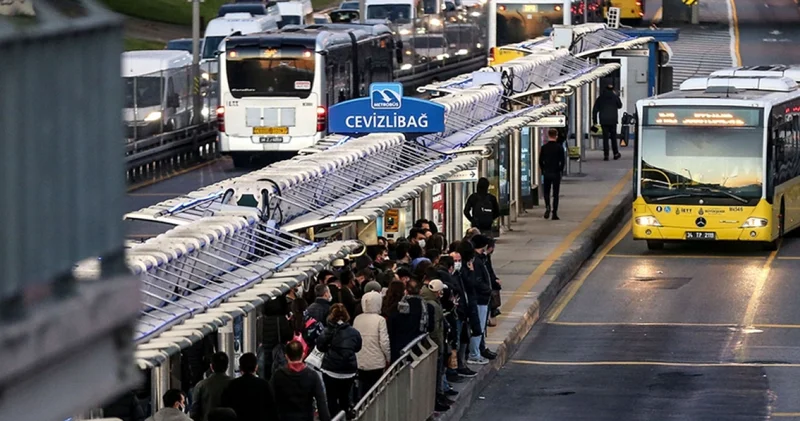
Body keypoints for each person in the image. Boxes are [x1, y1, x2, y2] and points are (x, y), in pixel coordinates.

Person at [316, 303, 363, 417]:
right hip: (348, 371)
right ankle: (345, 414)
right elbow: (358, 348)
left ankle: (334, 417)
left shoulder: (327, 331)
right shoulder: (354, 332)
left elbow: (320, 347)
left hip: (330, 369)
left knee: (331, 398)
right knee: (345, 397)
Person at [271, 340, 331, 421]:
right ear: (303, 355)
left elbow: (269, 399)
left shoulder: (278, 376)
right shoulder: (312, 376)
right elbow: (321, 404)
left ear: (286, 356)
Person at [352, 291, 391, 399]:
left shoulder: (357, 319)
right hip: (376, 361)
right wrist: (388, 357)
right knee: (375, 388)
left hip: (360, 360)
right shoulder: (380, 320)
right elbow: (384, 342)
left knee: (362, 387)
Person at [220, 353, 279, 421]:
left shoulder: (232, 385)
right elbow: (272, 409)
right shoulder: (264, 385)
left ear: (240, 368)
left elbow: (225, 408)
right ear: (256, 367)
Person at [191, 352, 232, 421]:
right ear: (227, 366)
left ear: (211, 367)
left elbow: (194, 412)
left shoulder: (201, 385)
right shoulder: (235, 383)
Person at [539, 128, 565, 220]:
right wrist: (560, 170)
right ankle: (554, 213)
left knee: (546, 192)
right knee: (555, 193)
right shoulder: (559, 147)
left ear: (548, 135)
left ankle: (547, 207)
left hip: (547, 172)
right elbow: (562, 161)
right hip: (556, 173)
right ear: (556, 136)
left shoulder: (544, 147)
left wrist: (543, 170)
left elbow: (540, 161)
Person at [592, 83, 623, 161]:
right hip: (613, 120)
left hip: (604, 120)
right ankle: (615, 153)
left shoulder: (600, 98)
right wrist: (616, 96)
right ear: (612, 90)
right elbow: (620, 106)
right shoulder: (615, 97)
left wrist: (595, 121)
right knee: (613, 137)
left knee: (605, 138)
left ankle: (606, 155)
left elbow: (595, 110)